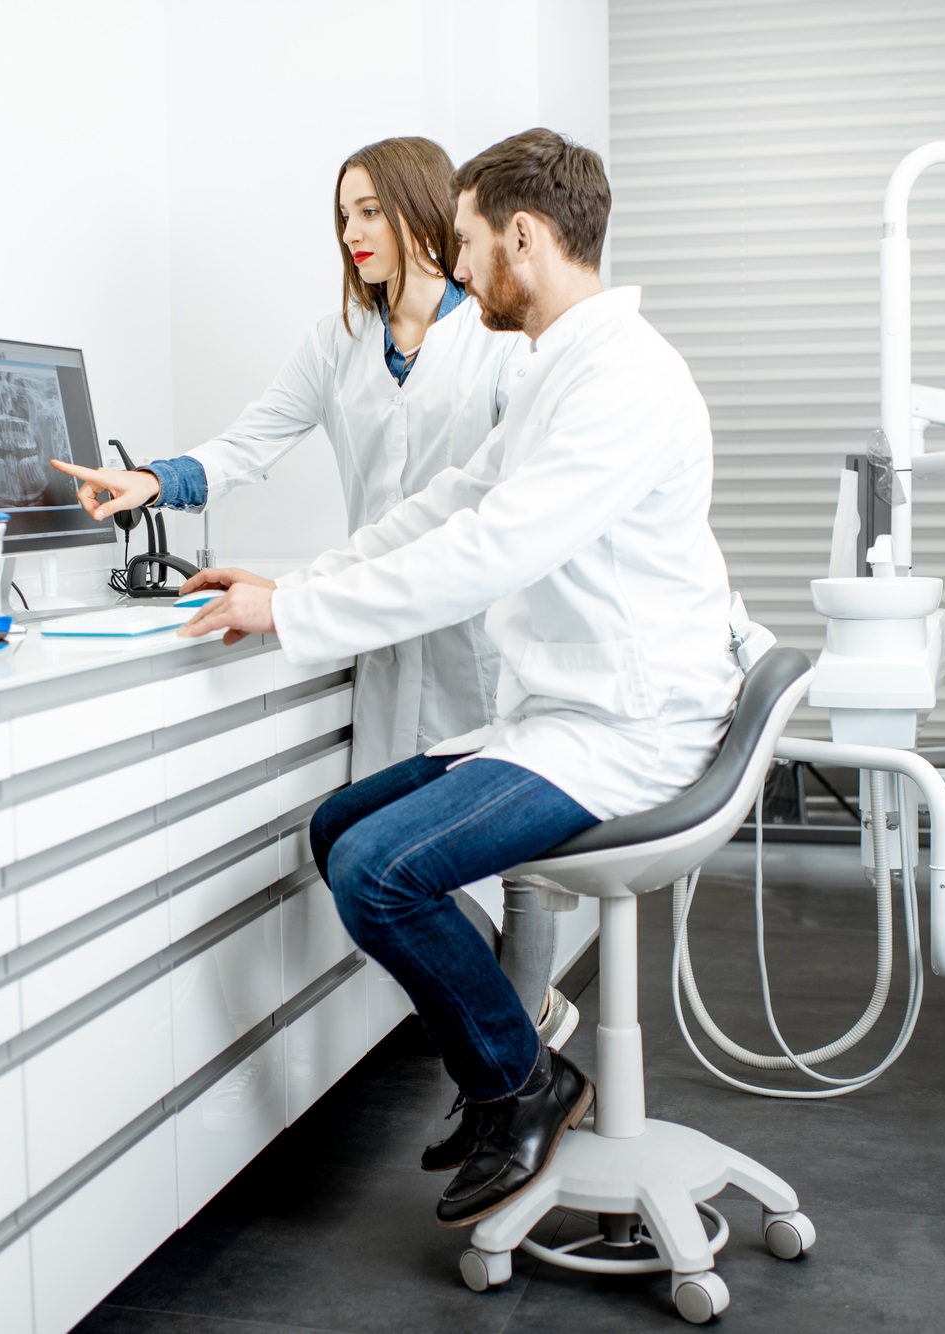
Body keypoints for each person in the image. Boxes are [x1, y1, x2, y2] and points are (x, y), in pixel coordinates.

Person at [176, 128, 742, 1227]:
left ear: (521, 236)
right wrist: (297, 579)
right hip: (561, 711)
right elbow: (442, 511)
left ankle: (518, 1081)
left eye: (471, 242)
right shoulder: (549, 367)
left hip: (627, 726)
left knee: (380, 872)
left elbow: (488, 552)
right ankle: (514, 1066)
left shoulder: (620, 380)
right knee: (339, 826)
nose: (460, 264)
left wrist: (291, 612)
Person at [52, 136, 579, 1055]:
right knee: (394, 857)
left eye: (371, 209)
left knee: (511, 863)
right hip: (380, 621)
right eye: (343, 215)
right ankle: (517, 1036)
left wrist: (301, 592)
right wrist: (152, 483)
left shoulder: (496, 343)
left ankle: (517, 1047)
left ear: (424, 212)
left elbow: (495, 507)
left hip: (481, 628)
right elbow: (249, 442)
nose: (353, 232)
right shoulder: (341, 340)